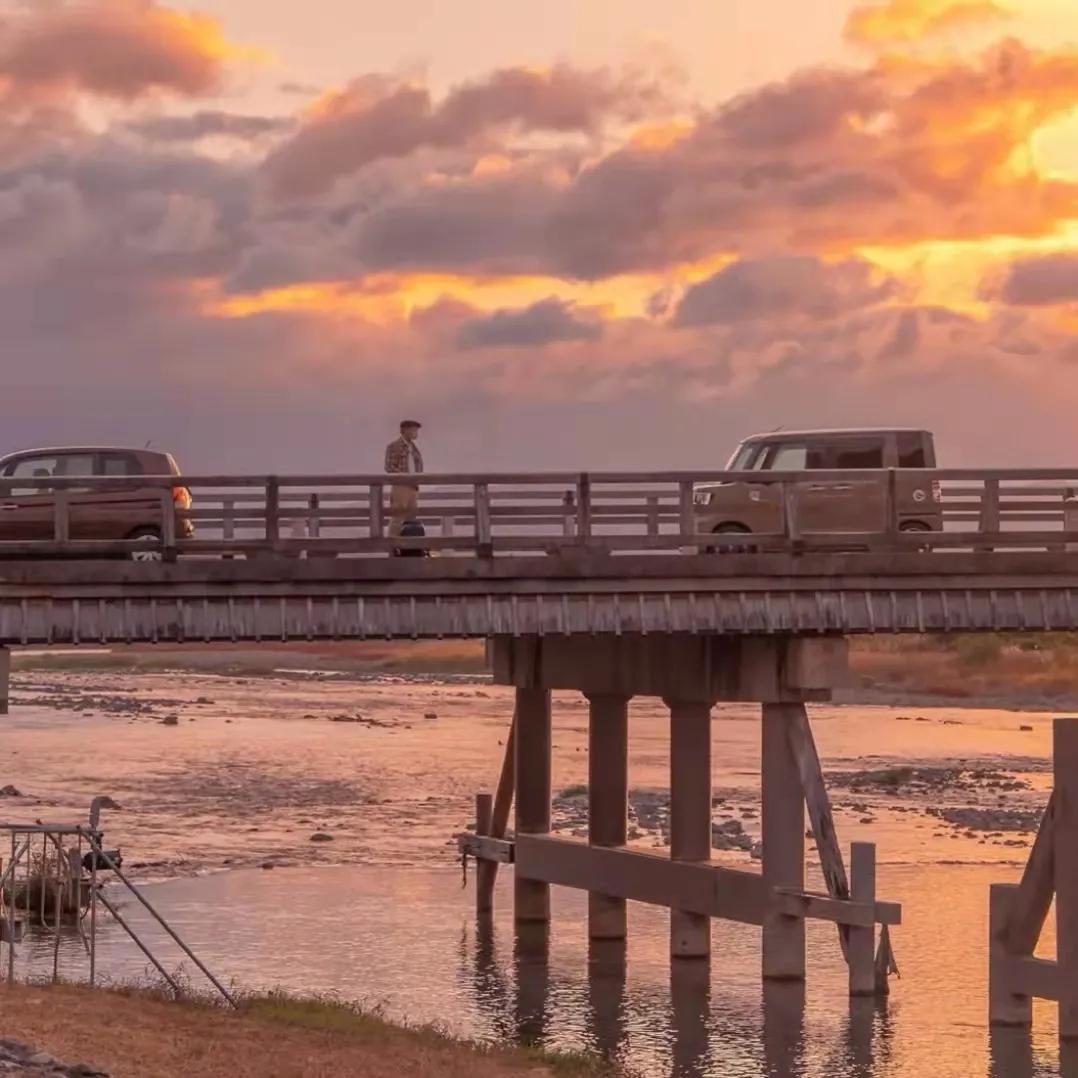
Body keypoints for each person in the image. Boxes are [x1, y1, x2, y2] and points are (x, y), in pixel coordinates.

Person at [385, 420, 424, 537]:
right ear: (404, 430)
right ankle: (392, 546)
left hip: (413, 487)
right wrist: (404, 478)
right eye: (413, 429)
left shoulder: (414, 448)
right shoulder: (394, 446)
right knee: (397, 517)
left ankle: (408, 549)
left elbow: (419, 467)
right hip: (400, 486)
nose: (416, 432)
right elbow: (389, 467)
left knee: (411, 519)